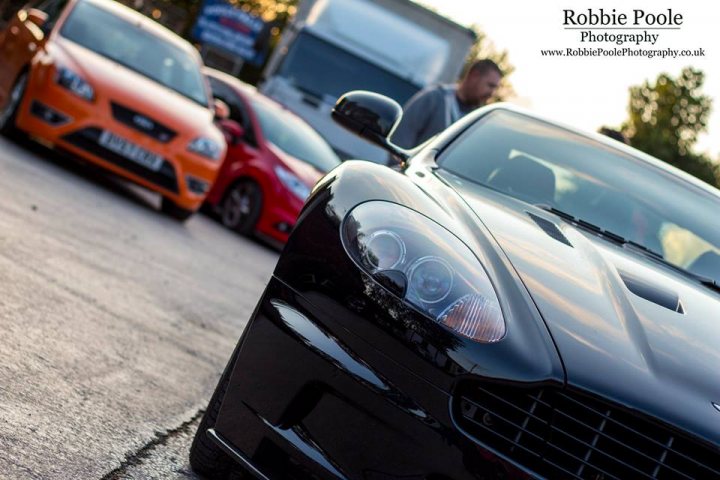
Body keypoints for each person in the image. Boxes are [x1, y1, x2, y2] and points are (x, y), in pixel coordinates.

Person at [390, 59, 503, 149]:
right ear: (474, 75)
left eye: (495, 88)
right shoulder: (434, 98)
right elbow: (399, 142)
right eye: (490, 85)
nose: (491, 93)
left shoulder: (479, 120)